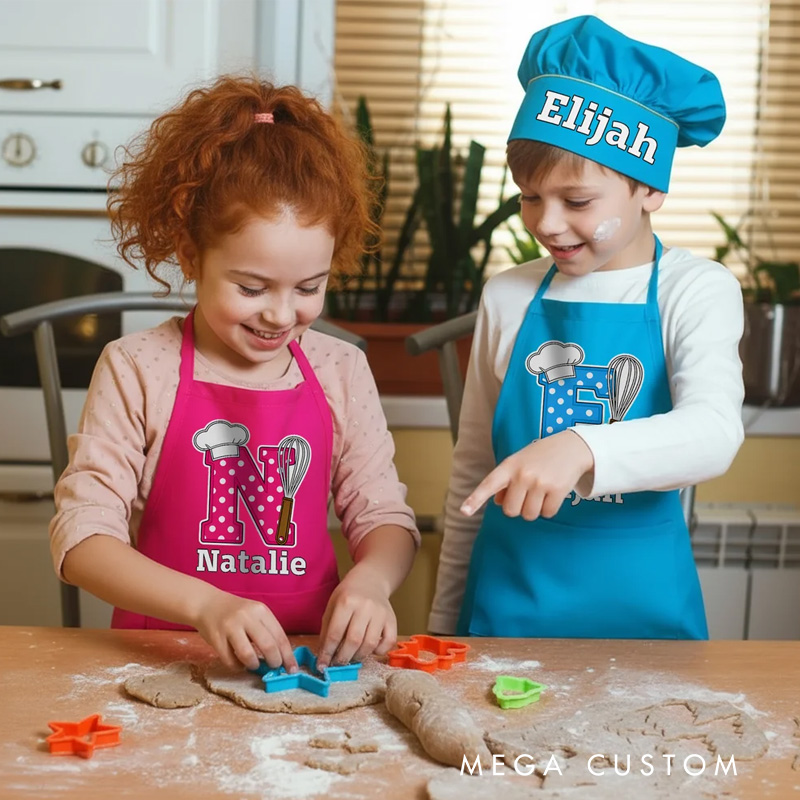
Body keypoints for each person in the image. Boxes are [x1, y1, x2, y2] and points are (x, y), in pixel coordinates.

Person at [50, 75, 419, 673]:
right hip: (160, 654)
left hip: (308, 660)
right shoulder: (139, 367)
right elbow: (83, 541)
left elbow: (383, 516)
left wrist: (372, 581)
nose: (280, 314)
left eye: (308, 288)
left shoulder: (341, 369)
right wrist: (207, 606)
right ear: (193, 256)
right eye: (251, 288)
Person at [429, 16, 744, 640]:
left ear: (649, 187)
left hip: (645, 616)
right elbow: (471, 473)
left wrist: (579, 446)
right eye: (528, 197)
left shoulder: (695, 289)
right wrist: (442, 624)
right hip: (507, 607)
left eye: (576, 202)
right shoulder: (508, 294)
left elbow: (713, 432)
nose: (545, 223)